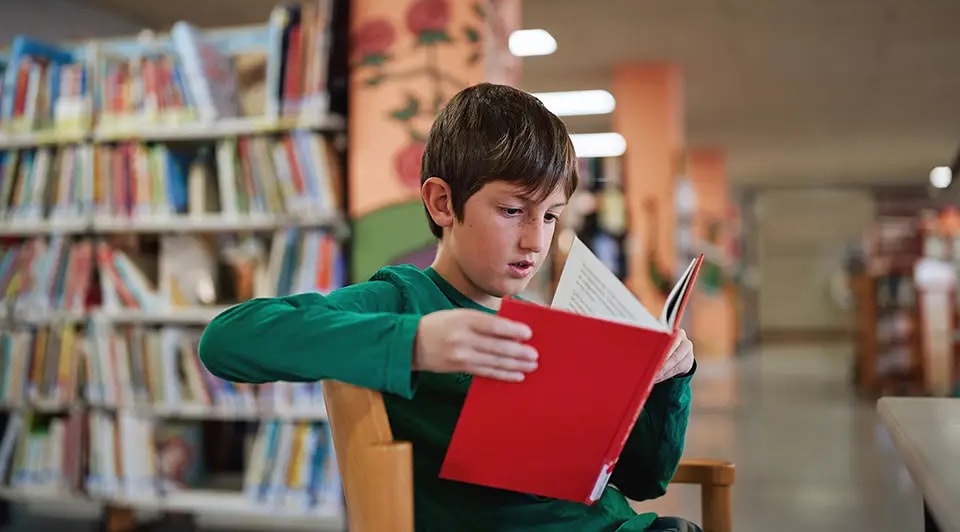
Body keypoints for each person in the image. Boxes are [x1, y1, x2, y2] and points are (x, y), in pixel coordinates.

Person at [198, 83, 699, 532]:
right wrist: (415, 343)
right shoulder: (403, 300)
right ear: (442, 203)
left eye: (550, 216)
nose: (534, 241)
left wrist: (671, 378)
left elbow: (643, 478)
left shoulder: (544, 323)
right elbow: (224, 340)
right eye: (511, 211)